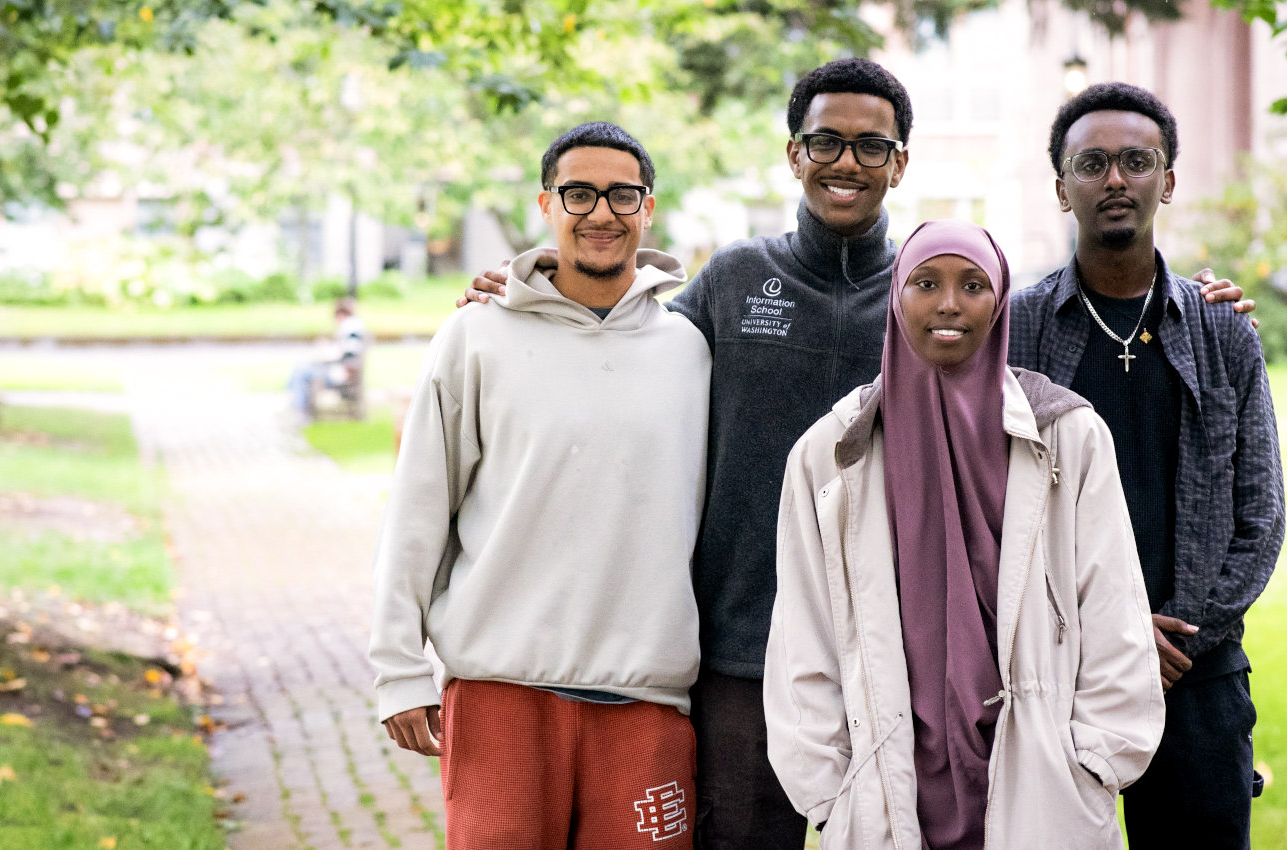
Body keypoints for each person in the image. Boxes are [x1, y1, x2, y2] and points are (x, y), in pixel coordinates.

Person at [458, 61, 1249, 848]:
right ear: (795, 153)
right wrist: (532, 293)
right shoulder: (735, 280)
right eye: (826, 141)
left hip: (903, 655)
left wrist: (1200, 301)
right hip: (743, 644)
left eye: (872, 146)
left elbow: (1048, 367)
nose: (847, 161)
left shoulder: (930, 292)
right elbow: (628, 347)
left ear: (900, 163)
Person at [763, 219, 1164, 849]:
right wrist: (828, 791)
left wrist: (1097, 765)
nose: (949, 303)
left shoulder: (1068, 437)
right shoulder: (831, 453)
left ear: (1000, 301)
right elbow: (802, 635)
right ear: (896, 296)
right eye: (926, 282)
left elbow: (1114, 609)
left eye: (973, 284)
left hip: (1042, 787)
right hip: (890, 788)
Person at [368, 121, 710, 848]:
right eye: (578, 193)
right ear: (547, 204)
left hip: (645, 698)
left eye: (623, 195)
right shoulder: (476, 335)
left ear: (648, 209)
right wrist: (398, 669)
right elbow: (418, 507)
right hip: (501, 689)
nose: (600, 213)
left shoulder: (689, 350)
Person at [1009, 82, 1285, 849]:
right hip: (1062, 679)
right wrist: (1111, 641)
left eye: (1137, 161)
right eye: (1092, 163)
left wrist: (1182, 638)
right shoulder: (1020, 330)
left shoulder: (1222, 332)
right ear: (1062, 189)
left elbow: (1261, 514)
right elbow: (996, 510)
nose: (1116, 179)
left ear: (1168, 179)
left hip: (1197, 676)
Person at [287, 298, 367, 417]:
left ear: (340, 314)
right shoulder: (354, 326)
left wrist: (327, 352)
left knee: (300, 371)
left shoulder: (351, 327)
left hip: (341, 374)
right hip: (340, 371)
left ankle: (298, 410)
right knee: (300, 368)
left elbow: (348, 356)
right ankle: (297, 407)